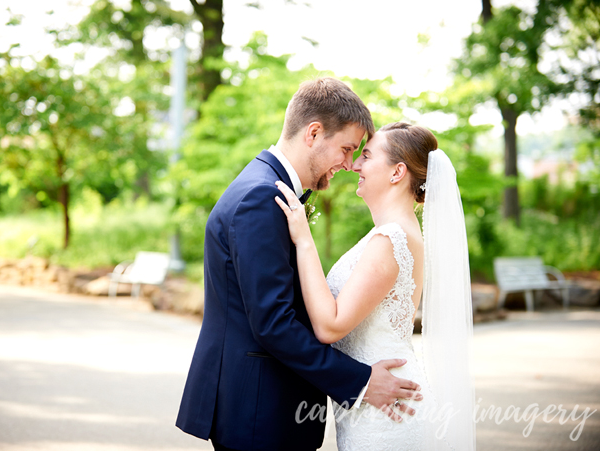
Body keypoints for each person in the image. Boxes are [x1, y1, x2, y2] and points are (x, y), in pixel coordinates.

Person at [176, 79, 423, 451]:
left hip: (267, 407)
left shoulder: (271, 189)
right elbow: (273, 322)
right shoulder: (262, 196)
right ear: (313, 133)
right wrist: (359, 381)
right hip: (259, 411)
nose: (349, 163)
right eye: (346, 148)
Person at [275, 122, 476, 450]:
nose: (354, 164)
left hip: (387, 414)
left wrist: (303, 238)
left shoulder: (391, 239)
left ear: (397, 172)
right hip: (378, 403)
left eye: (366, 155)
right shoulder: (396, 233)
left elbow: (330, 326)